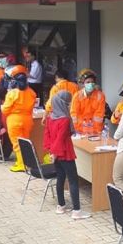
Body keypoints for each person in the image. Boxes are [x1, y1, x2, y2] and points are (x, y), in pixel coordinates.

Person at [44, 91, 91, 219]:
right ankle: (77, 211)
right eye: (68, 103)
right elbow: (60, 139)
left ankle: (61, 206)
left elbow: (47, 136)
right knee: (73, 180)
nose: (69, 106)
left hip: (56, 154)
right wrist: (54, 152)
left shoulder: (50, 117)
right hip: (64, 153)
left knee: (60, 178)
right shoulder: (64, 119)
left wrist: (51, 151)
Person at [2, 65, 37, 172]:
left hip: (14, 120)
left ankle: (21, 165)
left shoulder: (12, 93)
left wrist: (2, 107)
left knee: (17, 144)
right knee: (25, 143)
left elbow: (5, 110)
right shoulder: (32, 92)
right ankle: (24, 162)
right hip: (28, 120)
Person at [70, 69, 106, 135]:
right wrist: (78, 131)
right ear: (83, 84)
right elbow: (74, 115)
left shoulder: (100, 96)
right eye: (88, 82)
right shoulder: (77, 96)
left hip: (95, 132)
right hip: (80, 131)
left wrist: (96, 132)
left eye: (92, 82)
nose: (90, 84)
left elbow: (99, 115)